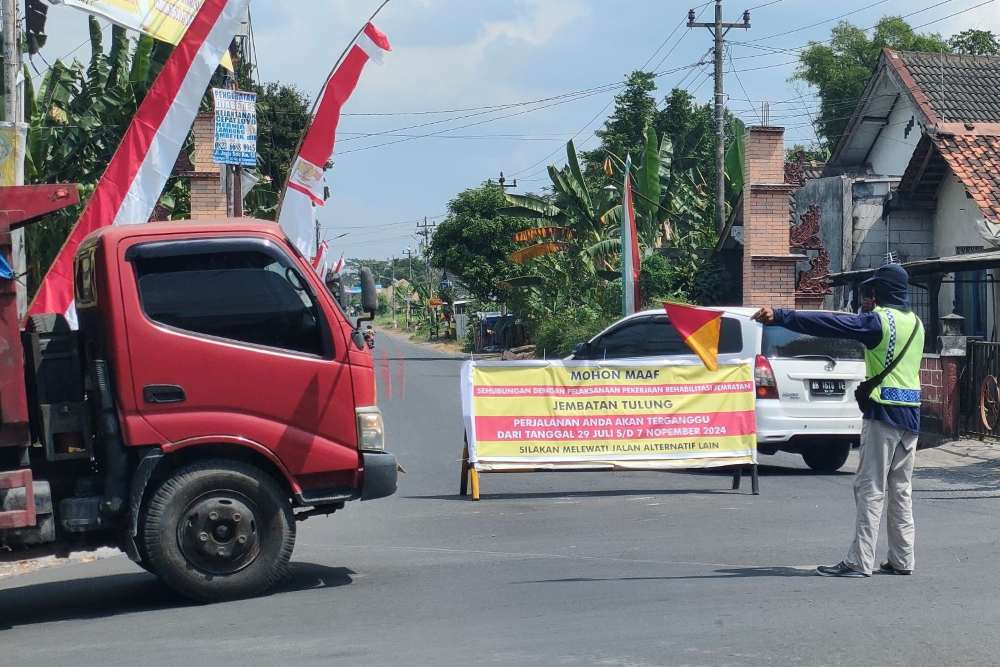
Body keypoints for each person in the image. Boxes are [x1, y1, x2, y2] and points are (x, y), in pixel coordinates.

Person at [752, 263, 925, 578]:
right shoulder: (916, 324)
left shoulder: (879, 323)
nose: (869, 296)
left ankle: (860, 561)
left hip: (883, 412)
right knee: (901, 488)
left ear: (883, 292)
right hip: (911, 416)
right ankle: (903, 558)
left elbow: (828, 324)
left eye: (873, 290)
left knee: (869, 487)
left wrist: (782, 315)